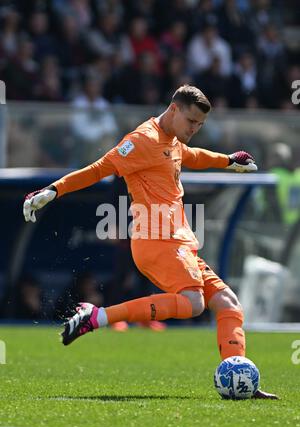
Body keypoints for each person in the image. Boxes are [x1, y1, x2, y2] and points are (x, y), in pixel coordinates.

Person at [23, 84, 277, 399]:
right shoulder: (141, 141)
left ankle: (239, 379)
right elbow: (99, 169)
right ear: (174, 109)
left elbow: (193, 156)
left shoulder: (173, 140)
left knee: (229, 306)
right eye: (191, 122)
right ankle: (99, 316)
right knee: (194, 303)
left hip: (179, 242)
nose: (195, 129)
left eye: (200, 125)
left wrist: (228, 161)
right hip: (156, 239)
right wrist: (52, 190)